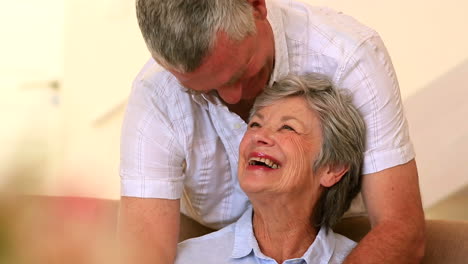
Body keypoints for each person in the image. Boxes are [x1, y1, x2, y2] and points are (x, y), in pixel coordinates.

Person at [118, 0, 425, 263]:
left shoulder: (349, 55)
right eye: (205, 90)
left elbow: (401, 228)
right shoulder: (156, 93)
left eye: (241, 72)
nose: (233, 98)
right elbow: (143, 252)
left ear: (256, 5)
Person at [175, 73, 365, 263]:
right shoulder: (189, 258)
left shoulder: (367, 258)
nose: (259, 136)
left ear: (332, 168)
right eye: (255, 124)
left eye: (288, 127)